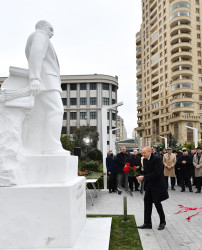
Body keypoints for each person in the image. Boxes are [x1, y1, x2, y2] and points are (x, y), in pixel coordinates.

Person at [25, 20, 68, 155]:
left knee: (41, 115)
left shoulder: (37, 37)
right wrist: (35, 78)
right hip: (46, 81)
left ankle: (41, 146)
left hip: (44, 81)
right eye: (51, 29)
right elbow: (36, 55)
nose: (52, 33)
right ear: (42, 27)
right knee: (56, 110)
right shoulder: (40, 35)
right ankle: (52, 147)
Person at [136, 147, 169, 230]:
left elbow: (157, 173)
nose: (143, 154)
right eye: (142, 153)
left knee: (157, 203)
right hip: (149, 185)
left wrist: (143, 177)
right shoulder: (144, 159)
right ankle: (147, 223)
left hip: (157, 185)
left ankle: (162, 222)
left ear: (150, 151)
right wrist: (141, 178)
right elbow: (146, 172)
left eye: (144, 153)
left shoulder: (156, 159)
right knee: (147, 203)